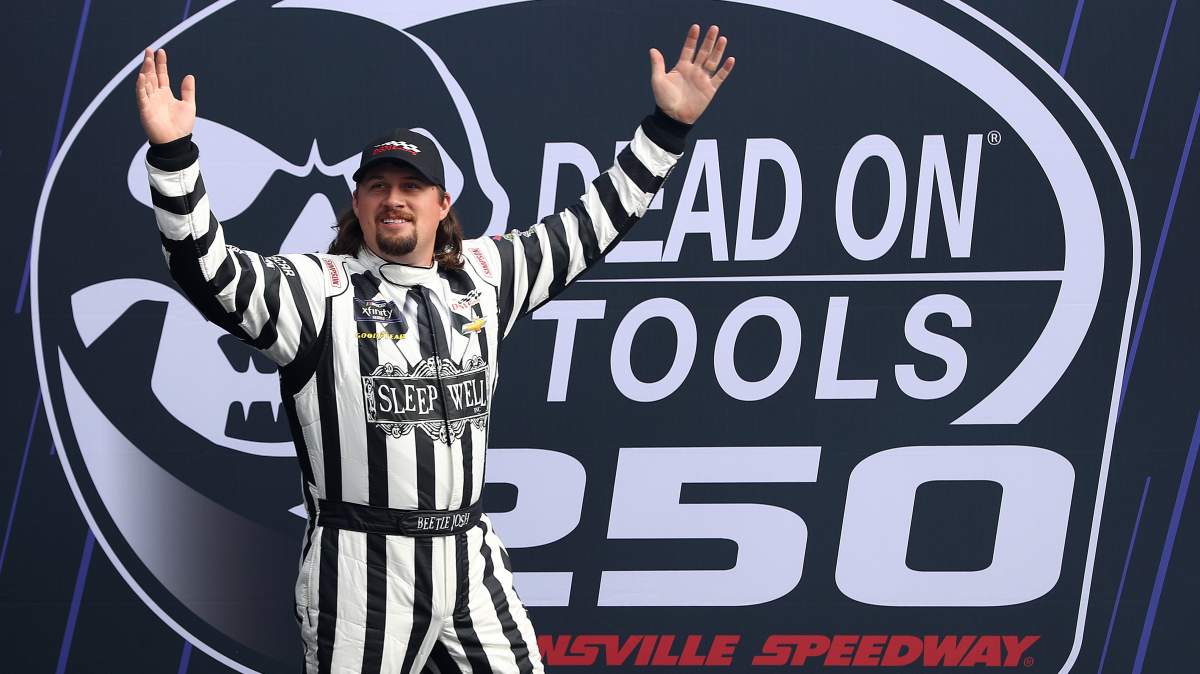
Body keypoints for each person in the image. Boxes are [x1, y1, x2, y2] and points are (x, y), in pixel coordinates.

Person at [135, 24, 734, 674]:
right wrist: (173, 155)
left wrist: (667, 129)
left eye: (411, 186)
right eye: (377, 186)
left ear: (442, 203)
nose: (393, 200)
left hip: (467, 552)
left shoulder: (487, 275)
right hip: (360, 567)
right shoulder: (315, 289)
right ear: (356, 202)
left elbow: (591, 225)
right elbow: (207, 270)